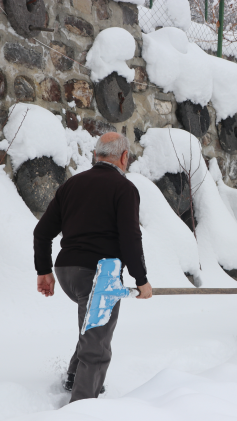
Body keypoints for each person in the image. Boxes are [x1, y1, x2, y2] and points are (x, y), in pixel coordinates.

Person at [33, 132, 152, 403]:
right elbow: (131, 237)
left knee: (92, 326)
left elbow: (42, 233)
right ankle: (82, 408)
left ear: (95, 155)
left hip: (66, 273)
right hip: (100, 274)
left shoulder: (72, 184)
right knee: (97, 347)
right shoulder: (124, 189)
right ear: (124, 157)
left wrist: (44, 271)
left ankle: (75, 377)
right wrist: (141, 279)